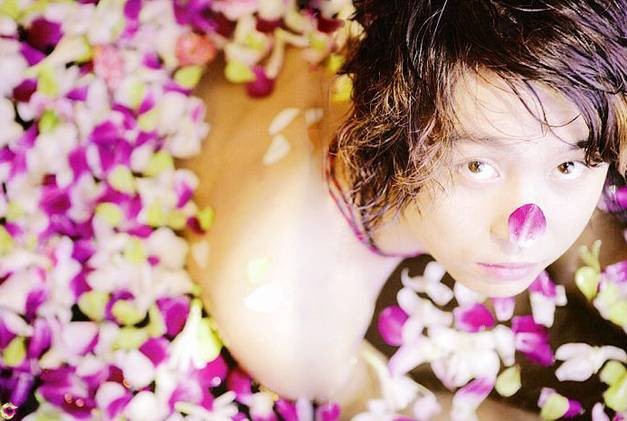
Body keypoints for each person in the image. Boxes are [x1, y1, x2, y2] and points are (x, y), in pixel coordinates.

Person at [182, 0, 626, 416]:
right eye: (477, 166)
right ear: (390, 124)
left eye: (568, 165)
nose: (524, 233)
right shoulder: (291, 327)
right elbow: (395, 410)